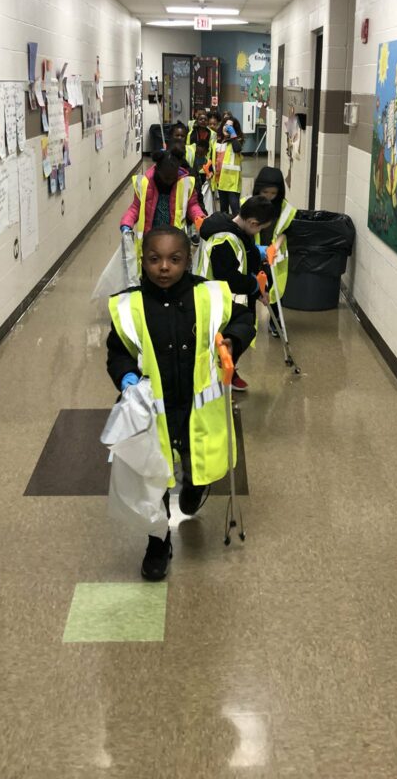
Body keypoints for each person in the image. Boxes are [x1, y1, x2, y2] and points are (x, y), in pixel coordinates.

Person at [106, 226, 256, 581]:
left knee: (195, 459)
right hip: (151, 411)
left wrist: (233, 342)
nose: (163, 267)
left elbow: (245, 319)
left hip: (196, 410)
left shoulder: (210, 295)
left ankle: (195, 487)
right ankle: (158, 542)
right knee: (153, 478)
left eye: (174, 259)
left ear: (188, 260)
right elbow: (118, 351)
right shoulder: (130, 305)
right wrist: (125, 375)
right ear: (143, 262)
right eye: (154, 259)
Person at [199, 195, 275, 390]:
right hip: (214, 297)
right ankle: (217, 381)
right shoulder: (224, 240)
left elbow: (243, 261)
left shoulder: (237, 230)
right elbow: (228, 278)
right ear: (252, 222)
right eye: (259, 228)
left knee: (236, 336)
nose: (258, 232)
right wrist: (253, 285)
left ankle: (229, 371)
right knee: (223, 337)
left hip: (230, 296)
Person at [120, 149, 205, 265]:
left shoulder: (184, 184)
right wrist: (126, 223)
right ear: (157, 171)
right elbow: (135, 208)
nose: (169, 181)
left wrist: (199, 217)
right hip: (151, 239)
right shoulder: (145, 184)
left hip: (174, 239)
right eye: (166, 178)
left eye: (172, 177)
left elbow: (192, 205)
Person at [253, 166, 297, 336]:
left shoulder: (285, 209)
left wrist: (275, 247)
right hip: (254, 254)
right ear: (258, 189)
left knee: (274, 289)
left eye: (273, 193)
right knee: (252, 289)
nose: (270, 197)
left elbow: (286, 231)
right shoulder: (248, 204)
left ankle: (275, 321)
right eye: (265, 193)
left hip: (274, 257)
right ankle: (248, 321)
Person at [215, 115, 243, 215]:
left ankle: (238, 228)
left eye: (231, 127)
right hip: (220, 180)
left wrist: (233, 135)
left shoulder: (236, 141)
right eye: (226, 125)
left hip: (232, 182)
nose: (227, 128)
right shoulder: (218, 142)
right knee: (223, 208)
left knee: (235, 208)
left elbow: (237, 149)